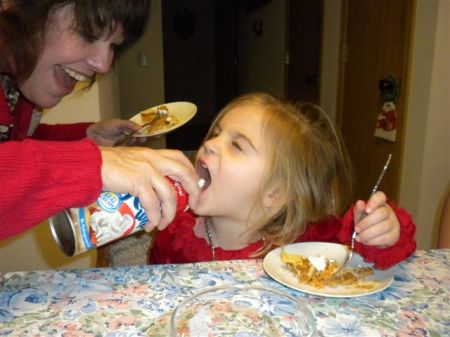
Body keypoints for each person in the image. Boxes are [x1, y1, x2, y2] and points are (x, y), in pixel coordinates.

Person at [0, 0, 200, 240]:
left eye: (114, 44)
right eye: (89, 33)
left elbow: (13, 146)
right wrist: (90, 164)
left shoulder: (14, 85)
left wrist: (87, 138)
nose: (103, 65)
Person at [150, 93, 416, 269]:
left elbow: (368, 255)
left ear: (274, 194)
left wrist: (380, 234)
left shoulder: (306, 244)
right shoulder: (174, 239)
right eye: (216, 134)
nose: (209, 143)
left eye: (237, 146)